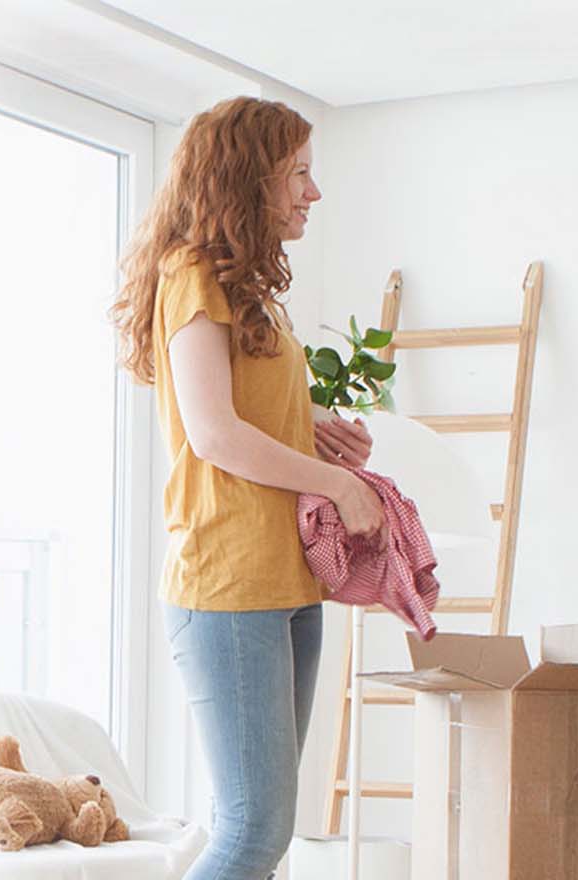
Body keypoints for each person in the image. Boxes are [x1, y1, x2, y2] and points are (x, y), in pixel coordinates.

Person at [111, 96, 384, 879]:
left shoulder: (246, 286)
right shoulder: (192, 274)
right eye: (298, 173)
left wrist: (317, 423)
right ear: (246, 178)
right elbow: (213, 434)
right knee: (252, 831)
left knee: (264, 828)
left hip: (280, 579)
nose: (313, 192)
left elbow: (245, 409)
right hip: (227, 585)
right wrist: (337, 482)